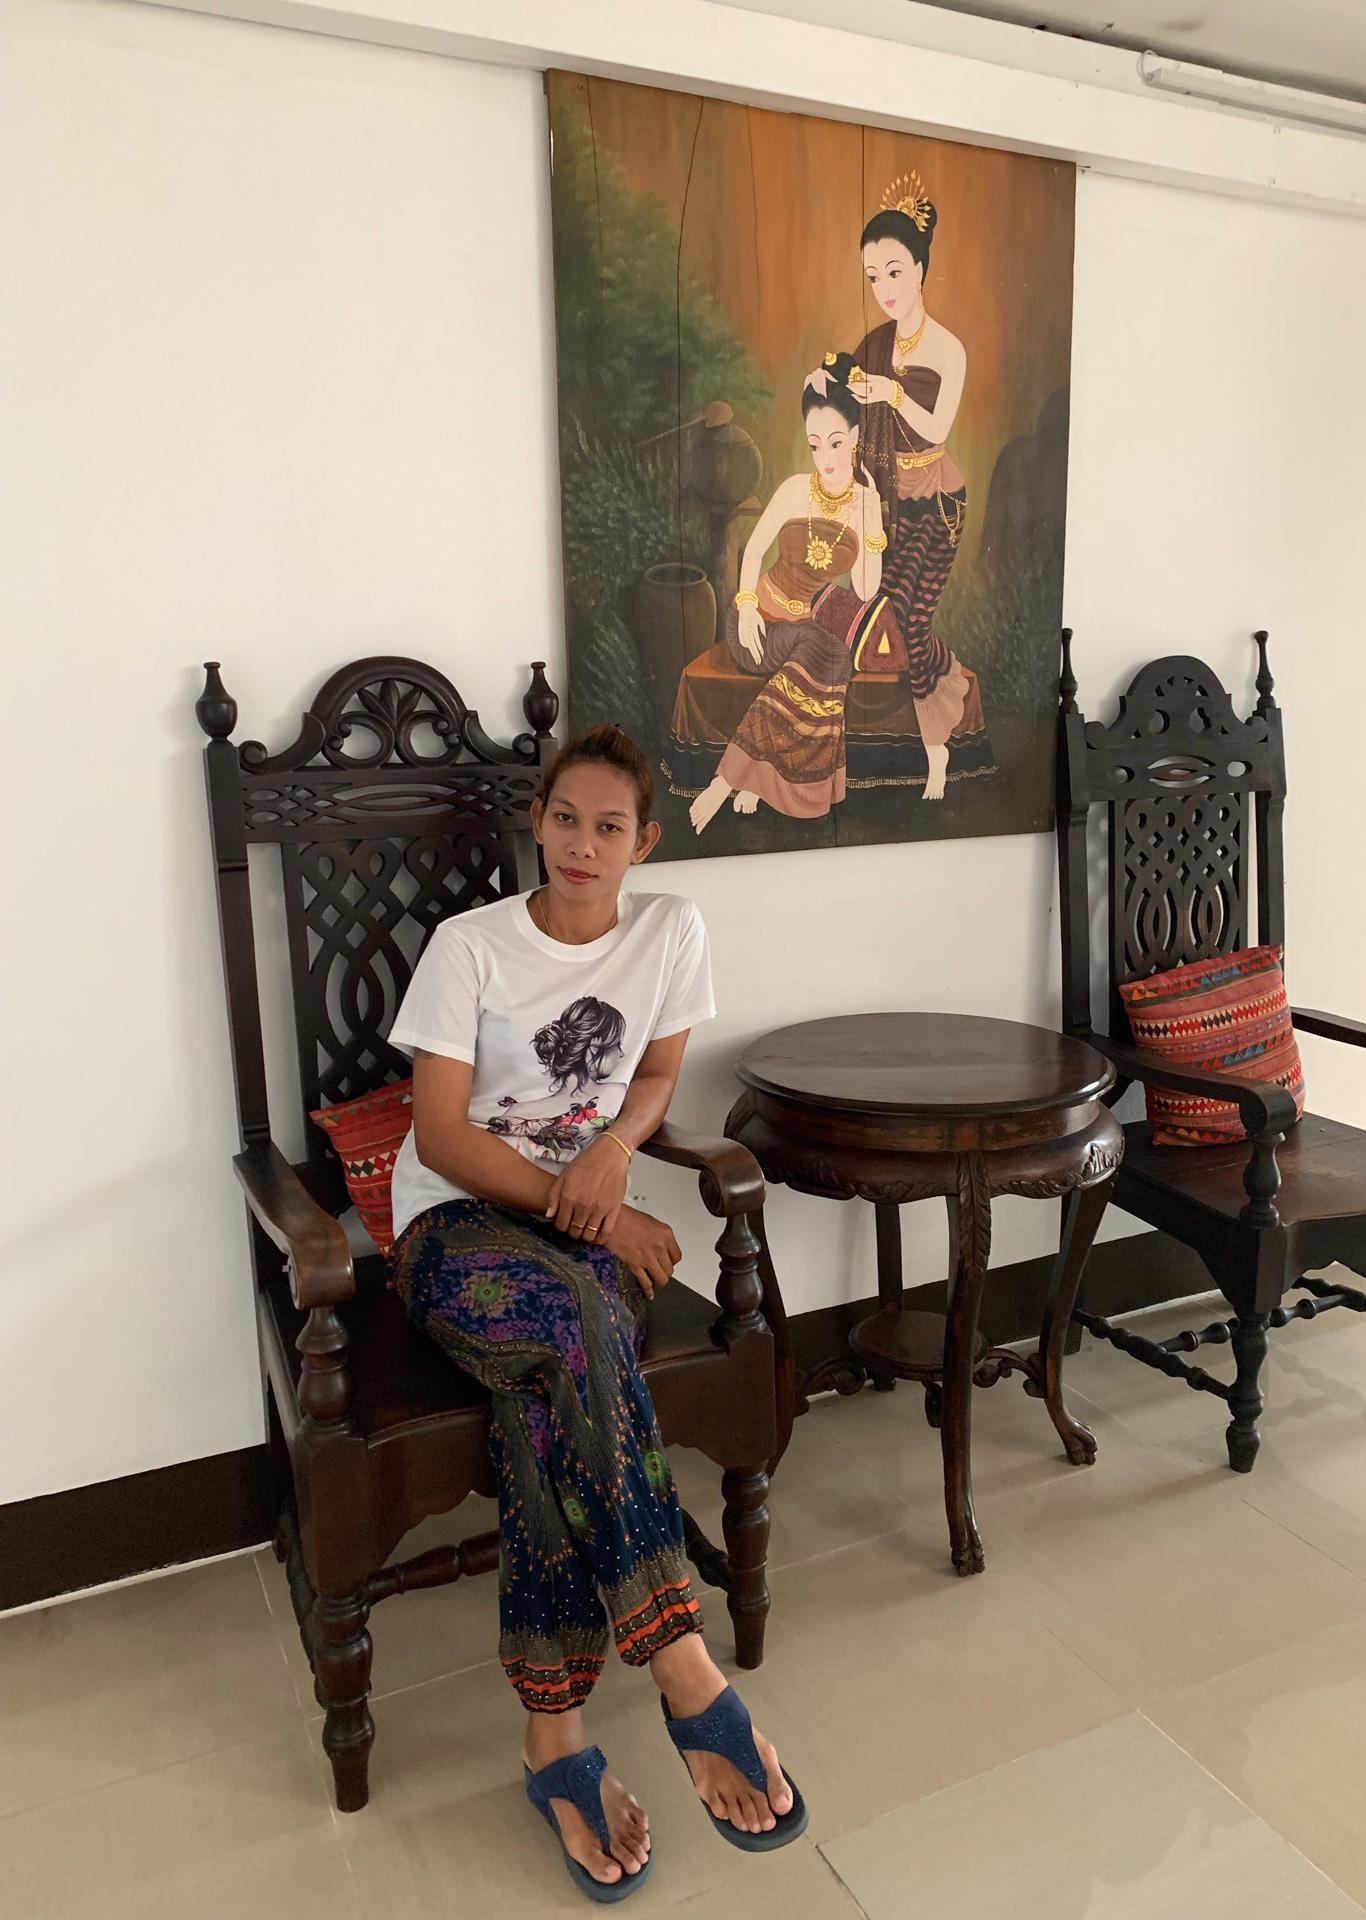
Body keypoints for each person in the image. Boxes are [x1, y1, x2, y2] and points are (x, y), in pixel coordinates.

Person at [387, 723, 805, 1900]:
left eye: (608, 826)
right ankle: (678, 1657)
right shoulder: (470, 948)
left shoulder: (670, 932)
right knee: (579, 1313)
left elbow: (658, 1075)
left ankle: (555, 1740)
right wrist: (605, 1221)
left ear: (644, 840)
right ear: (537, 820)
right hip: (454, 1235)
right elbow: (440, 1136)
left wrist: (614, 1155)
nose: (581, 843)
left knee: (548, 1385)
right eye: (564, 817)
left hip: (578, 1240)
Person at [688, 351, 904, 833]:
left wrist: (872, 523)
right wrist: (746, 607)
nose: (825, 458)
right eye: (814, 445)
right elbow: (753, 550)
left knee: (830, 651)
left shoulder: (865, 503)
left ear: (855, 437)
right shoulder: (793, 489)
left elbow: (866, 589)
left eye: (835, 443)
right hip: (757, 627)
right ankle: (727, 782)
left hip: (805, 633)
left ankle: (752, 780)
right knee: (823, 650)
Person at [839, 170, 986, 798]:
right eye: (873, 277)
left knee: (908, 617)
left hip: (935, 503)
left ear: (921, 269)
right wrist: (836, 388)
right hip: (884, 500)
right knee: (880, 615)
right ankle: (947, 687)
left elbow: (936, 428)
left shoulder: (949, 350)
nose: (884, 290)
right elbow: (847, 413)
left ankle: (936, 754)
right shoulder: (874, 345)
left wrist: (892, 393)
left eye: (895, 272)